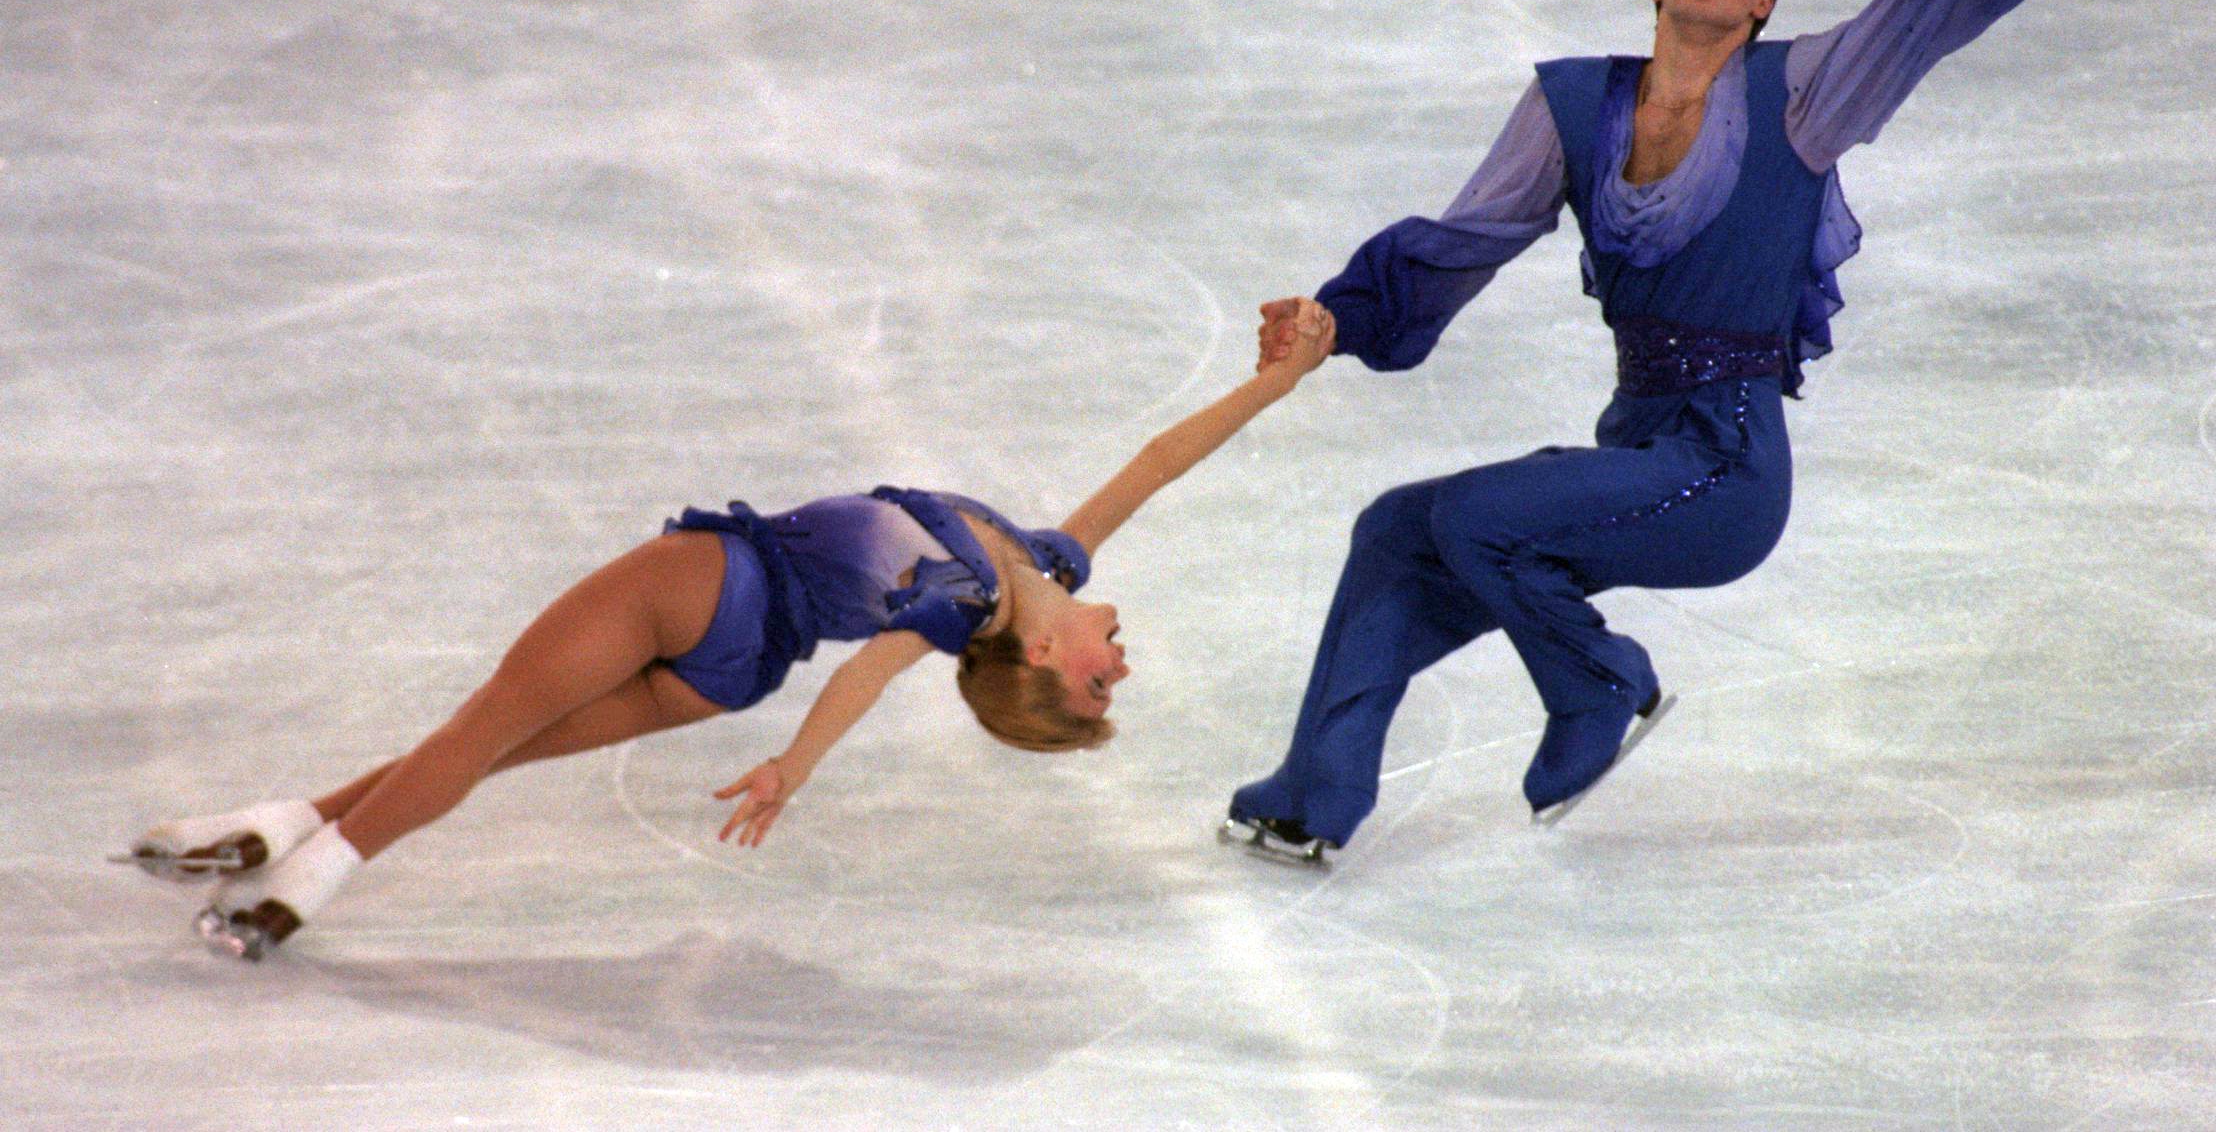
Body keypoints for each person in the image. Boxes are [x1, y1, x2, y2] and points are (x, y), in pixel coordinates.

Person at [1226, 0, 2167, 857]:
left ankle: (1601, 687)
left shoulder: (1802, 95)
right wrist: (1336, 320)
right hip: (1633, 450)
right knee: (1397, 531)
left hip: (1722, 472)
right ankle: (1309, 794)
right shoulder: (1574, 107)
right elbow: (1460, 239)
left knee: (1479, 519)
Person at [118, 300, 1340, 958]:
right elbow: (1158, 462)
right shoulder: (1047, 560)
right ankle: (279, 829)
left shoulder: (959, 596)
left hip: (699, 594)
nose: (1118, 669)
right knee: (480, 751)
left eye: (1096, 689)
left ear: (1034, 658)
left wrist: (795, 770)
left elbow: (868, 671)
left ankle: (296, 892)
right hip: (732, 673)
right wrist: (1280, 380)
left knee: (477, 730)